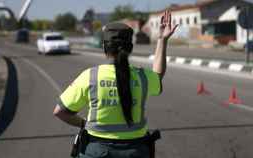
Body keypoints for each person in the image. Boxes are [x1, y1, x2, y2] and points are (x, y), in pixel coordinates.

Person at [53, 10, 178, 158]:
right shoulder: (143, 77)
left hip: (97, 151)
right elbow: (158, 76)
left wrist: (84, 124)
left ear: (105, 48)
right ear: (130, 48)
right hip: (136, 151)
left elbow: (59, 112)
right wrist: (162, 40)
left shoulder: (90, 76)